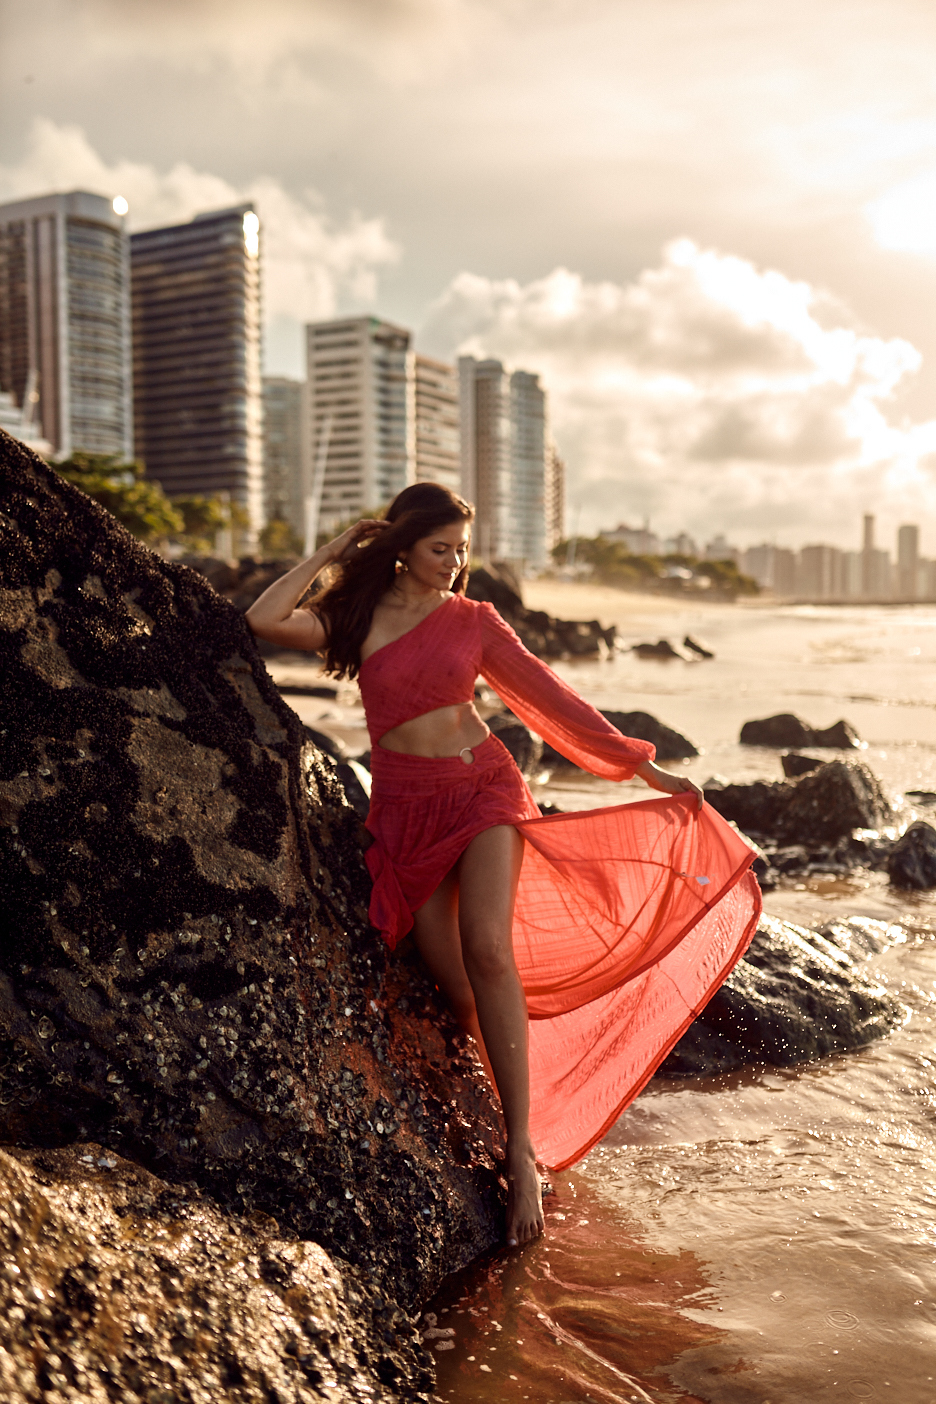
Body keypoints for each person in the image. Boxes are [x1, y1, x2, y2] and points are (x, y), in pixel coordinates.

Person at [246, 483, 761, 1249]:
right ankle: (503, 1101)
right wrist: (330, 552)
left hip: (485, 789)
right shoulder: (356, 621)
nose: (454, 564)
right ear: (398, 547)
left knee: (488, 950)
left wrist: (638, 769)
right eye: (438, 548)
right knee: (454, 986)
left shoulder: (473, 622)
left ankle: (520, 1152)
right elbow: (261, 621)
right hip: (407, 812)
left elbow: (549, 698)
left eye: (462, 549)